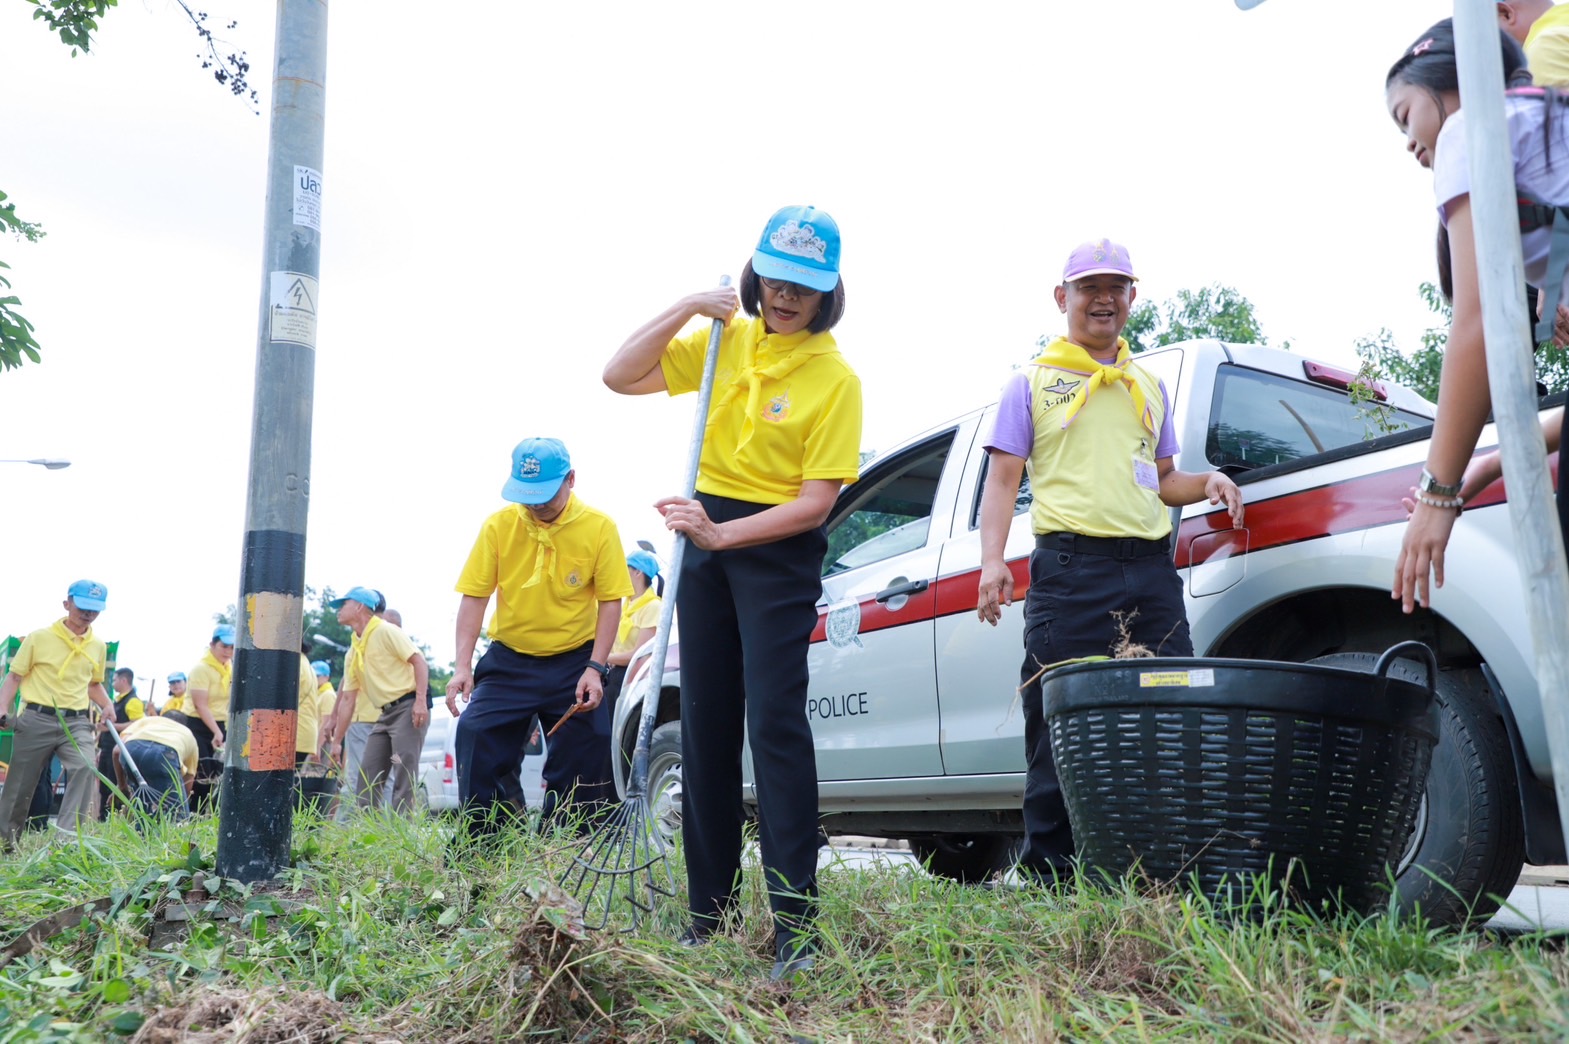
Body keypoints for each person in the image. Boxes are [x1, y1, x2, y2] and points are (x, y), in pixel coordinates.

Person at [602, 205, 861, 980]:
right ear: (755, 275)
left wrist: (724, 536)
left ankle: (795, 933)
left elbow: (815, 502)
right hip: (703, 541)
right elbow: (619, 375)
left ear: (827, 293)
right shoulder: (725, 342)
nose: (785, 296)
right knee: (706, 726)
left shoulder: (835, 379)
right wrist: (688, 305)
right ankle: (705, 917)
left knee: (774, 725)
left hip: (775, 551)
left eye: (803, 286)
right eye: (775, 279)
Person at [975, 239, 1245, 885]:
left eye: (1115, 287)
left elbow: (1164, 480)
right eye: (1088, 287)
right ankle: (1050, 880)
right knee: (1058, 724)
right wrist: (991, 562)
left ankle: (1164, 871)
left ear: (1132, 297)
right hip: (1069, 571)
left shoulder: (1146, 385)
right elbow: (1002, 479)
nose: (1103, 299)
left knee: (1171, 714)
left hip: (1150, 573)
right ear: (1061, 297)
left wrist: (1207, 481)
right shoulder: (1031, 382)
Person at [1384, 21, 1569, 612]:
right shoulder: (1546, 120)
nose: (1408, 142)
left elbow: (1481, 320)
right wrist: (1485, 467)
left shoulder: (1470, 127)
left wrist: (1435, 494)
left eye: (1404, 115)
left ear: (1454, 77)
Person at [448, 437, 628, 837]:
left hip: (574, 661)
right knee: (476, 732)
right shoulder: (498, 526)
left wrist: (595, 668)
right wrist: (462, 665)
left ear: (571, 480)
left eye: (545, 496)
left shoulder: (599, 527)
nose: (536, 506)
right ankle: (486, 841)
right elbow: (474, 597)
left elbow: (610, 602)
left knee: (590, 742)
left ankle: (565, 842)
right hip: (510, 660)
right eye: (527, 496)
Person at [0, 580, 118, 844]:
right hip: (36, 718)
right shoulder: (39, 638)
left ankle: (66, 841)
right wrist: (2, 707)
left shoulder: (97, 646)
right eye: (82, 606)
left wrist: (107, 704)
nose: (88, 613)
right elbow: (14, 676)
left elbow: (94, 684)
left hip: (76, 721)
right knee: (20, 783)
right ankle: (6, 842)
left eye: (94, 609)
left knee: (85, 766)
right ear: (67, 604)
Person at [325, 586, 430, 814]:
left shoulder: (385, 630)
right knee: (368, 778)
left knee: (402, 773)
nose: (338, 610)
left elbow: (419, 662)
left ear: (359, 607)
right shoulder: (355, 646)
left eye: (343, 604)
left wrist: (420, 701)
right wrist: (337, 741)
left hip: (407, 707)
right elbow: (348, 699)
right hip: (385, 713)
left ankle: (402, 831)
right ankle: (369, 830)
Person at [590, 548, 664, 800]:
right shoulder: (624, 605)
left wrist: (601, 658)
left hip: (630, 679)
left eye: (625, 568)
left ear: (637, 572)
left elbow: (640, 654)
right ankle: (599, 804)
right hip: (610, 677)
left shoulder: (652, 606)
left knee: (618, 743)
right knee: (601, 741)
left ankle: (614, 804)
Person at [114, 713, 198, 820]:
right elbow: (188, 780)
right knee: (178, 819)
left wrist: (122, 787)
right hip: (164, 754)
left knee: (142, 813)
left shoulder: (148, 720)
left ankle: (141, 828)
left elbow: (117, 751)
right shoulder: (188, 734)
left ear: (161, 717)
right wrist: (180, 802)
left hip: (132, 748)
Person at [96, 667, 146, 820]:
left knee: (115, 785)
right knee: (104, 786)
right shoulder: (116, 701)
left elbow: (137, 724)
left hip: (120, 750)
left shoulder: (133, 701)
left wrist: (112, 727)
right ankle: (104, 817)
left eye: (114, 680)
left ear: (124, 680)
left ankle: (116, 818)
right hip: (107, 749)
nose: (112, 684)